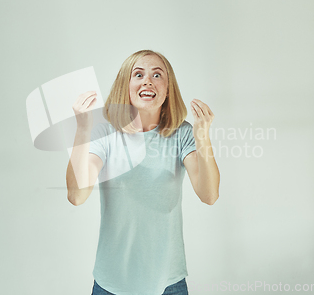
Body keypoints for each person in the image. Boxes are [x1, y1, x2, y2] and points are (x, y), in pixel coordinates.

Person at [66, 50, 220, 295]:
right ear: (125, 86)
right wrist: (82, 129)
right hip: (111, 283)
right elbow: (76, 196)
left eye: (157, 75)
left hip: (169, 283)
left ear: (168, 89)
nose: (148, 80)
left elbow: (209, 195)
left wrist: (202, 136)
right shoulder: (104, 134)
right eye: (138, 74)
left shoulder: (182, 133)